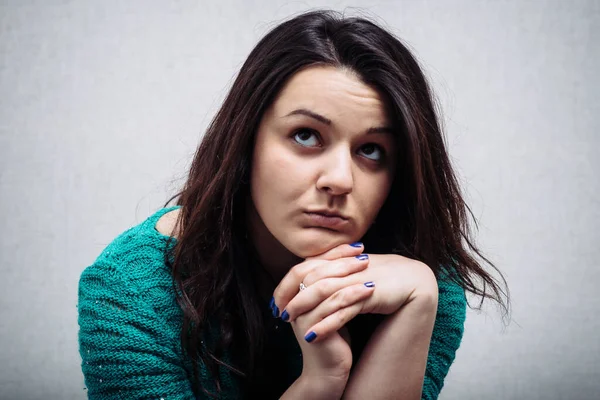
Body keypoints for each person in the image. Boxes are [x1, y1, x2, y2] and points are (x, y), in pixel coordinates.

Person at [77, 9, 508, 400]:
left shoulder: (418, 283)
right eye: (306, 135)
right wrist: (318, 383)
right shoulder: (129, 294)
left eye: (372, 151)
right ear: (246, 142)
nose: (339, 179)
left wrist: (415, 308)